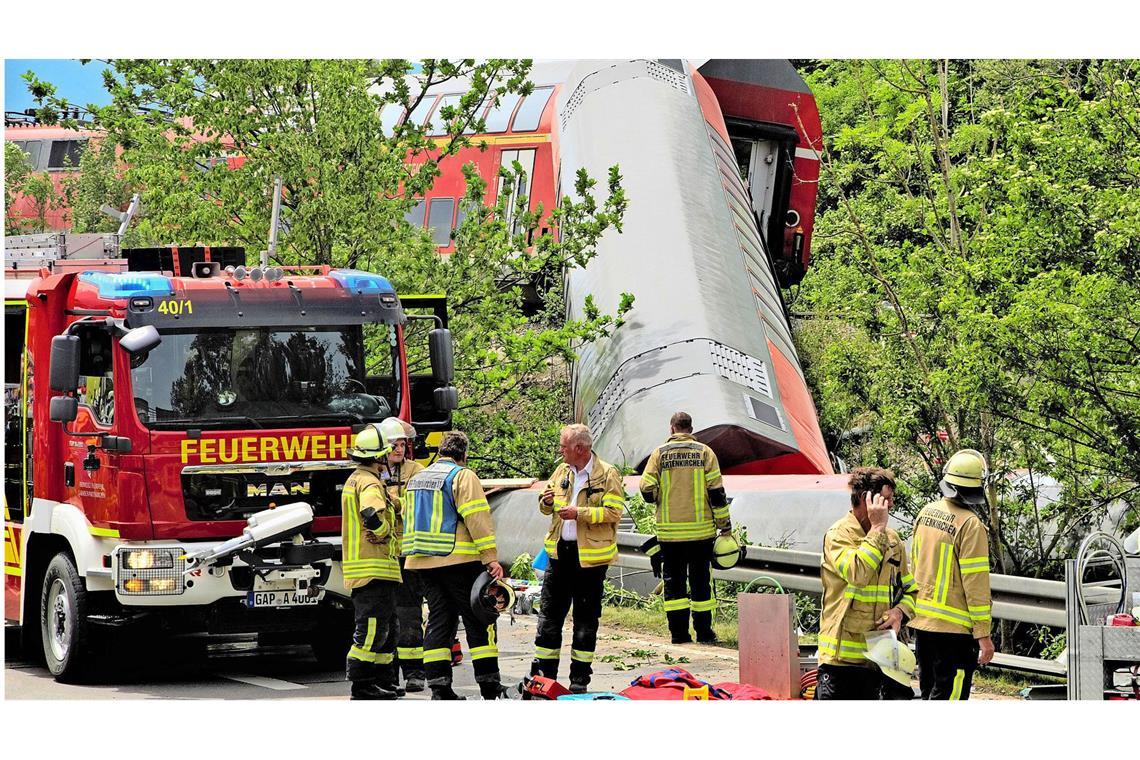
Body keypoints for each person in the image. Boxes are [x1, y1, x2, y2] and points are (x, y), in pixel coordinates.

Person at [402, 431, 508, 700]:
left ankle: (440, 688)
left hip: (423, 563)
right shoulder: (463, 476)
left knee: (439, 621)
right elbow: (476, 518)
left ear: (440, 451)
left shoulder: (417, 478)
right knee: (479, 621)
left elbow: (406, 516)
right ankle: (490, 687)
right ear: (464, 454)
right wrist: (490, 557)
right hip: (460, 560)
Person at [530, 423, 625, 693]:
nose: (560, 451)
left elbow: (614, 512)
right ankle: (545, 678)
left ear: (580, 449)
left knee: (585, 622)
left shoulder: (607, 474)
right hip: (559, 556)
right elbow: (544, 505)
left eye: (564, 446)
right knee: (548, 620)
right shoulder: (562, 471)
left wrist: (579, 514)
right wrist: (547, 501)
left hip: (590, 561)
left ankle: (579, 681)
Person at [816, 467, 918, 700]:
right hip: (840, 662)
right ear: (866, 499)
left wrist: (899, 612)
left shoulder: (892, 541)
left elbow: (911, 591)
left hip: (878, 661)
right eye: (886, 499)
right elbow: (857, 573)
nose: (891, 505)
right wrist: (877, 528)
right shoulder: (838, 535)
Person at [908, 449, 995, 700]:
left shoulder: (926, 512)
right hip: (954, 633)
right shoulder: (970, 525)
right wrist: (983, 635)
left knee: (929, 693)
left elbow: (915, 564)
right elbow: (975, 584)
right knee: (951, 696)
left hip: (922, 624)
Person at [638, 411, 731, 644]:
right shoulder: (705, 453)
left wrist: (658, 497)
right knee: (701, 584)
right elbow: (717, 494)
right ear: (691, 429)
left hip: (670, 535)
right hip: (701, 533)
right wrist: (725, 526)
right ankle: (704, 633)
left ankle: (679, 634)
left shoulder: (659, 454)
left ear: (672, 429)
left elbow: (646, 488)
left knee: (674, 585)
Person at [341, 423, 404, 700]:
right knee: (372, 630)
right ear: (379, 456)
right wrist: (383, 531)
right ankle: (363, 684)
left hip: (372, 570)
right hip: (373, 568)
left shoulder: (357, 478)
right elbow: (370, 511)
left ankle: (383, 681)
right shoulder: (369, 482)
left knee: (386, 628)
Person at [374, 418, 427, 694]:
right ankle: (389, 676)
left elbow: (418, 505)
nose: (399, 449)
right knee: (386, 616)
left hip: (407, 553)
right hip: (382, 555)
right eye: (394, 444)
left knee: (409, 613)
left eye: (403, 444)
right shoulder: (372, 473)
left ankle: (415, 672)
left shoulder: (416, 471)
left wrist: (394, 500)